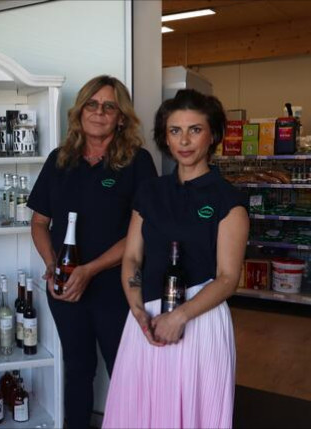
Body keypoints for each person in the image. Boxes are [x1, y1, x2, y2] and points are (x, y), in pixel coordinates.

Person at [102, 89, 249, 428]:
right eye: (175, 130)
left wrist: (179, 317)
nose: (184, 141)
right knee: (140, 413)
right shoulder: (150, 192)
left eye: (195, 130)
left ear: (213, 135)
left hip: (199, 321)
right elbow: (132, 258)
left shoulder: (228, 200)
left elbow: (228, 278)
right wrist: (138, 312)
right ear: (164, 137)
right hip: (146, 321)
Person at [27, 75, 157, 428]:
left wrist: (90, 269)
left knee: (124, 369)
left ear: (121, 117)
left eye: (109, 106)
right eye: (92, 104)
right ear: (80, 111)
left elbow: (143, 231)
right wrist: (53, 266)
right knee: (78, 369)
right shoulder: (59, 160)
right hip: (66, 288)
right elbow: (39, 223)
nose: (99, 112)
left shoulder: (137, 162)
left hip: (117, 288)